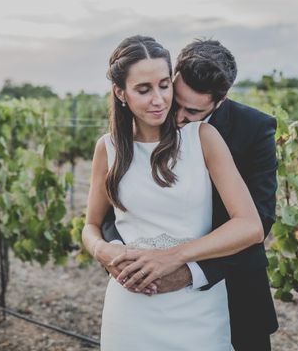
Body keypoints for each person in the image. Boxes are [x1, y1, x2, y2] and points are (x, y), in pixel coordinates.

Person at [82, 35, 264, 350]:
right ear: (120, 92)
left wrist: (174, 258)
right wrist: (101, 250)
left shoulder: (203, 137)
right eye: (143, 89)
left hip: (197, 308)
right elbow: (91, 225)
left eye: (164, 85)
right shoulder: (107, 148)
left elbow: (250, 225)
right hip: (130, 309)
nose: (159, 99)